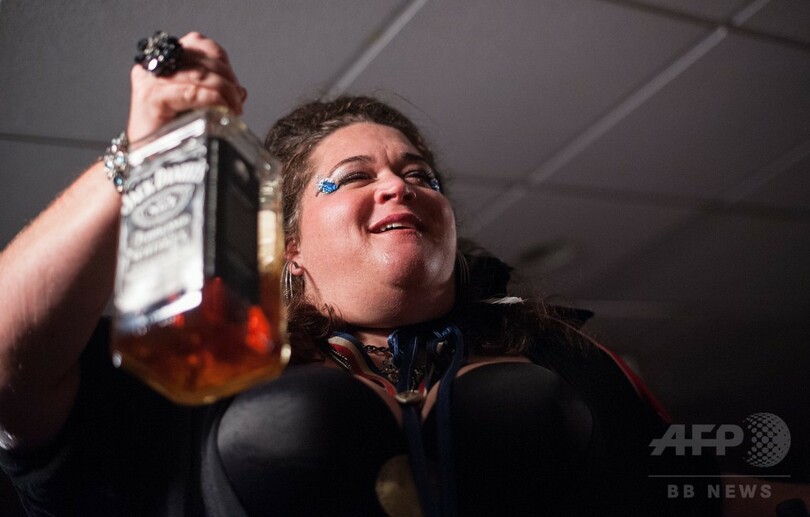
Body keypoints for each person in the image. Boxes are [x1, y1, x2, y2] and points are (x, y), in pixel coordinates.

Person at [0, 32, 724, 516]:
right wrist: (142, 156)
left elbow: (713, 495)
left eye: (420, 174)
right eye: (352, 177)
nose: (399, 186)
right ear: (287, 247)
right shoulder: (201, 360)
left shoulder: (570, 355)